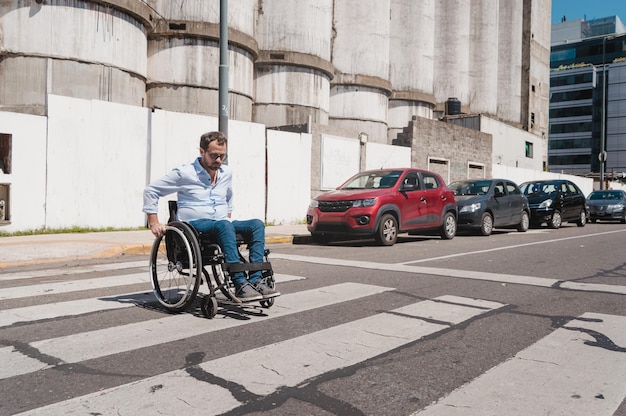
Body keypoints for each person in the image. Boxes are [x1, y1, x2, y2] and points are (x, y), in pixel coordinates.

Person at [143, 131, 279, 301]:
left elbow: (229, 196)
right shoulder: (184, 173)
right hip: (194, 225)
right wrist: (154, 222)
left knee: (257, 224)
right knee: (224, 225)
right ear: (202, 152)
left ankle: (257, 279)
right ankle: (239, 283)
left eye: (222, 156)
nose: (219, 160)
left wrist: (227, 214)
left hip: (221, 223)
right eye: (214, 155)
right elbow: (151, 191)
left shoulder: (226, 173)